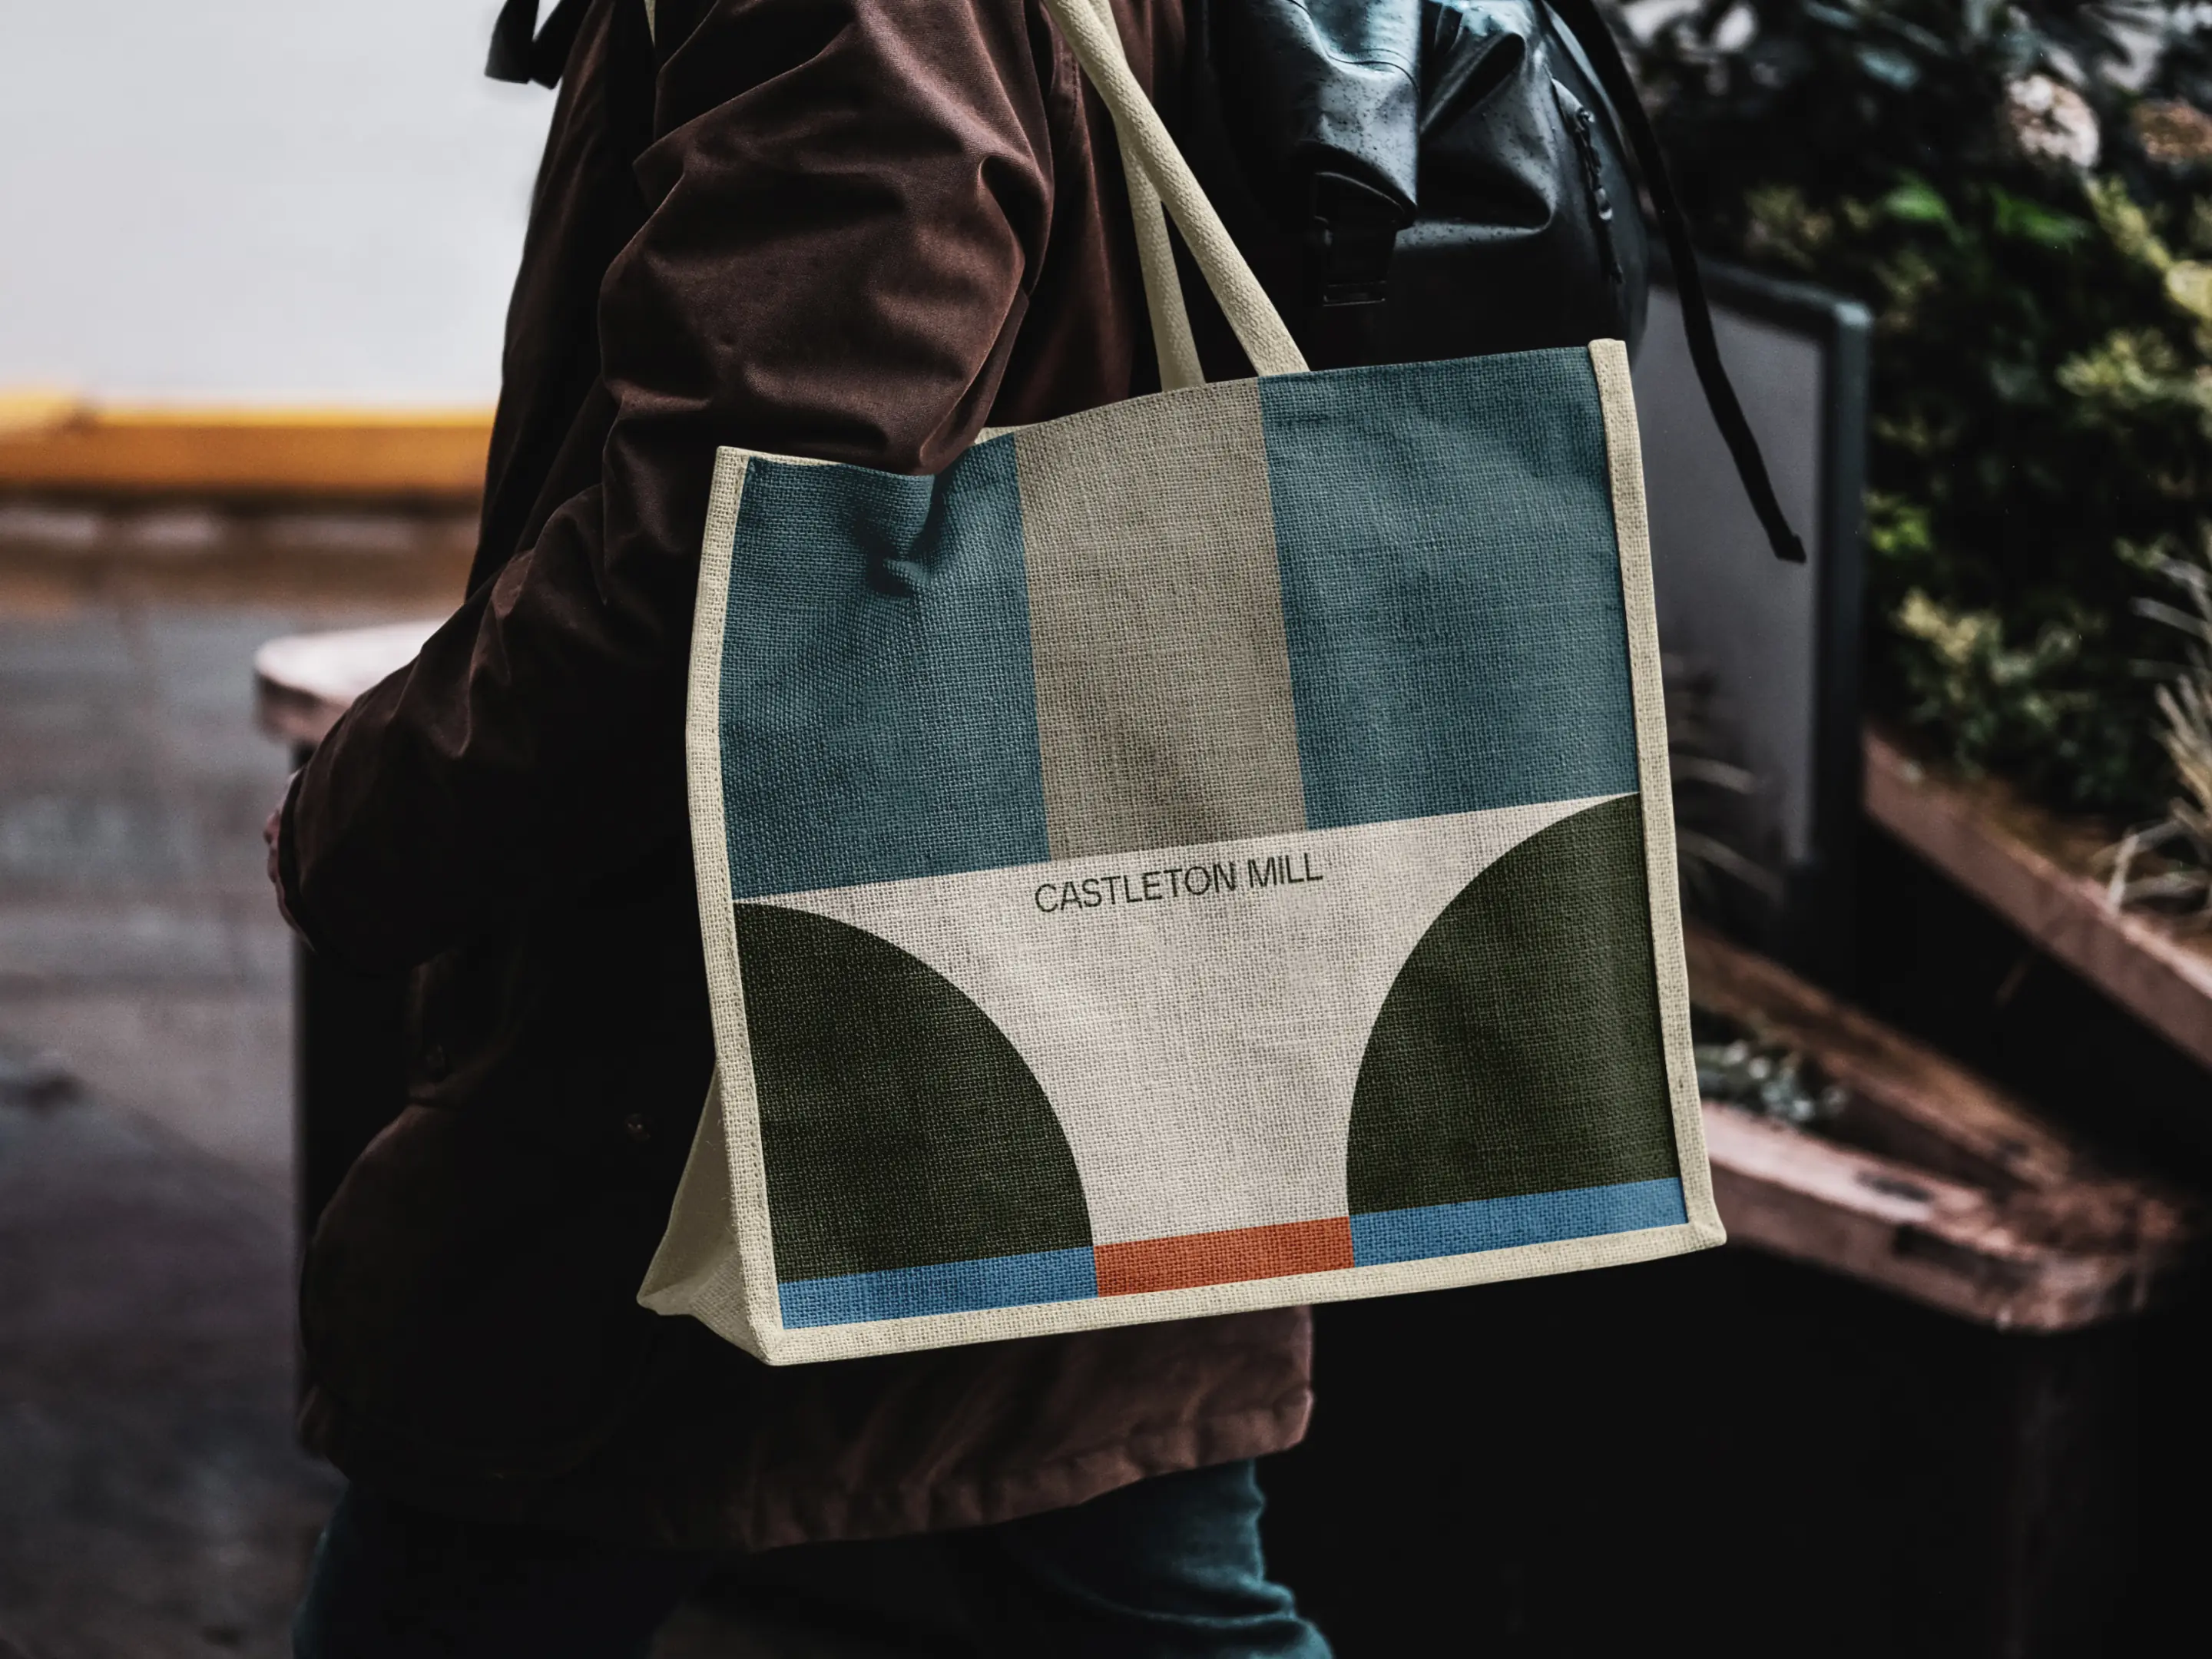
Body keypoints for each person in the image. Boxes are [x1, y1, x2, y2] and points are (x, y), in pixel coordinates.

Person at [263, 0, 1326, 1653]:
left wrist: (359, 823)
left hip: (748, 1035)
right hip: (1084, 938)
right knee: (1138, 1567)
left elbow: (733, 543)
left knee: (478, 1558)